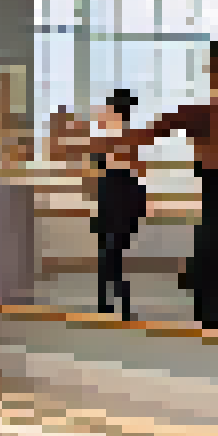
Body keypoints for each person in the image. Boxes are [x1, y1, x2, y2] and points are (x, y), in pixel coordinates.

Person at [115, 39, 218, 401]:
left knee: (210, 290)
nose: (207, 71)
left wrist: (103, 140)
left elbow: (137, 140)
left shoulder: (199, 114)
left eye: (213, 66)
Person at [83, 89, 149, 321]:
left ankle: (111, 302)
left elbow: (97, 168)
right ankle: (114, 302)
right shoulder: (127, 137)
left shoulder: (112, 138)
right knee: (112, 253)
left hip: (115, 197)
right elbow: (137, 170)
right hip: (119, 197)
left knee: (109, 253)